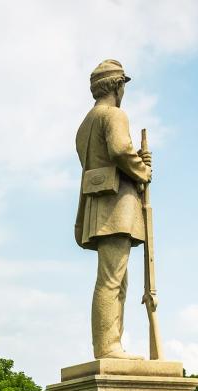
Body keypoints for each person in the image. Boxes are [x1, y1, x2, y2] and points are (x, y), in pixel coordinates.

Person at [74, 59, 153, 360]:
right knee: (111, 279)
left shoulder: (85, 124)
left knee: (116, 279)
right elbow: (120, 151)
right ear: (118, 86)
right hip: (116, 205)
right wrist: (141, 170)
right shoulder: (114, 115)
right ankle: (109, 347)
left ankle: (112, 344)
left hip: (98, 204)